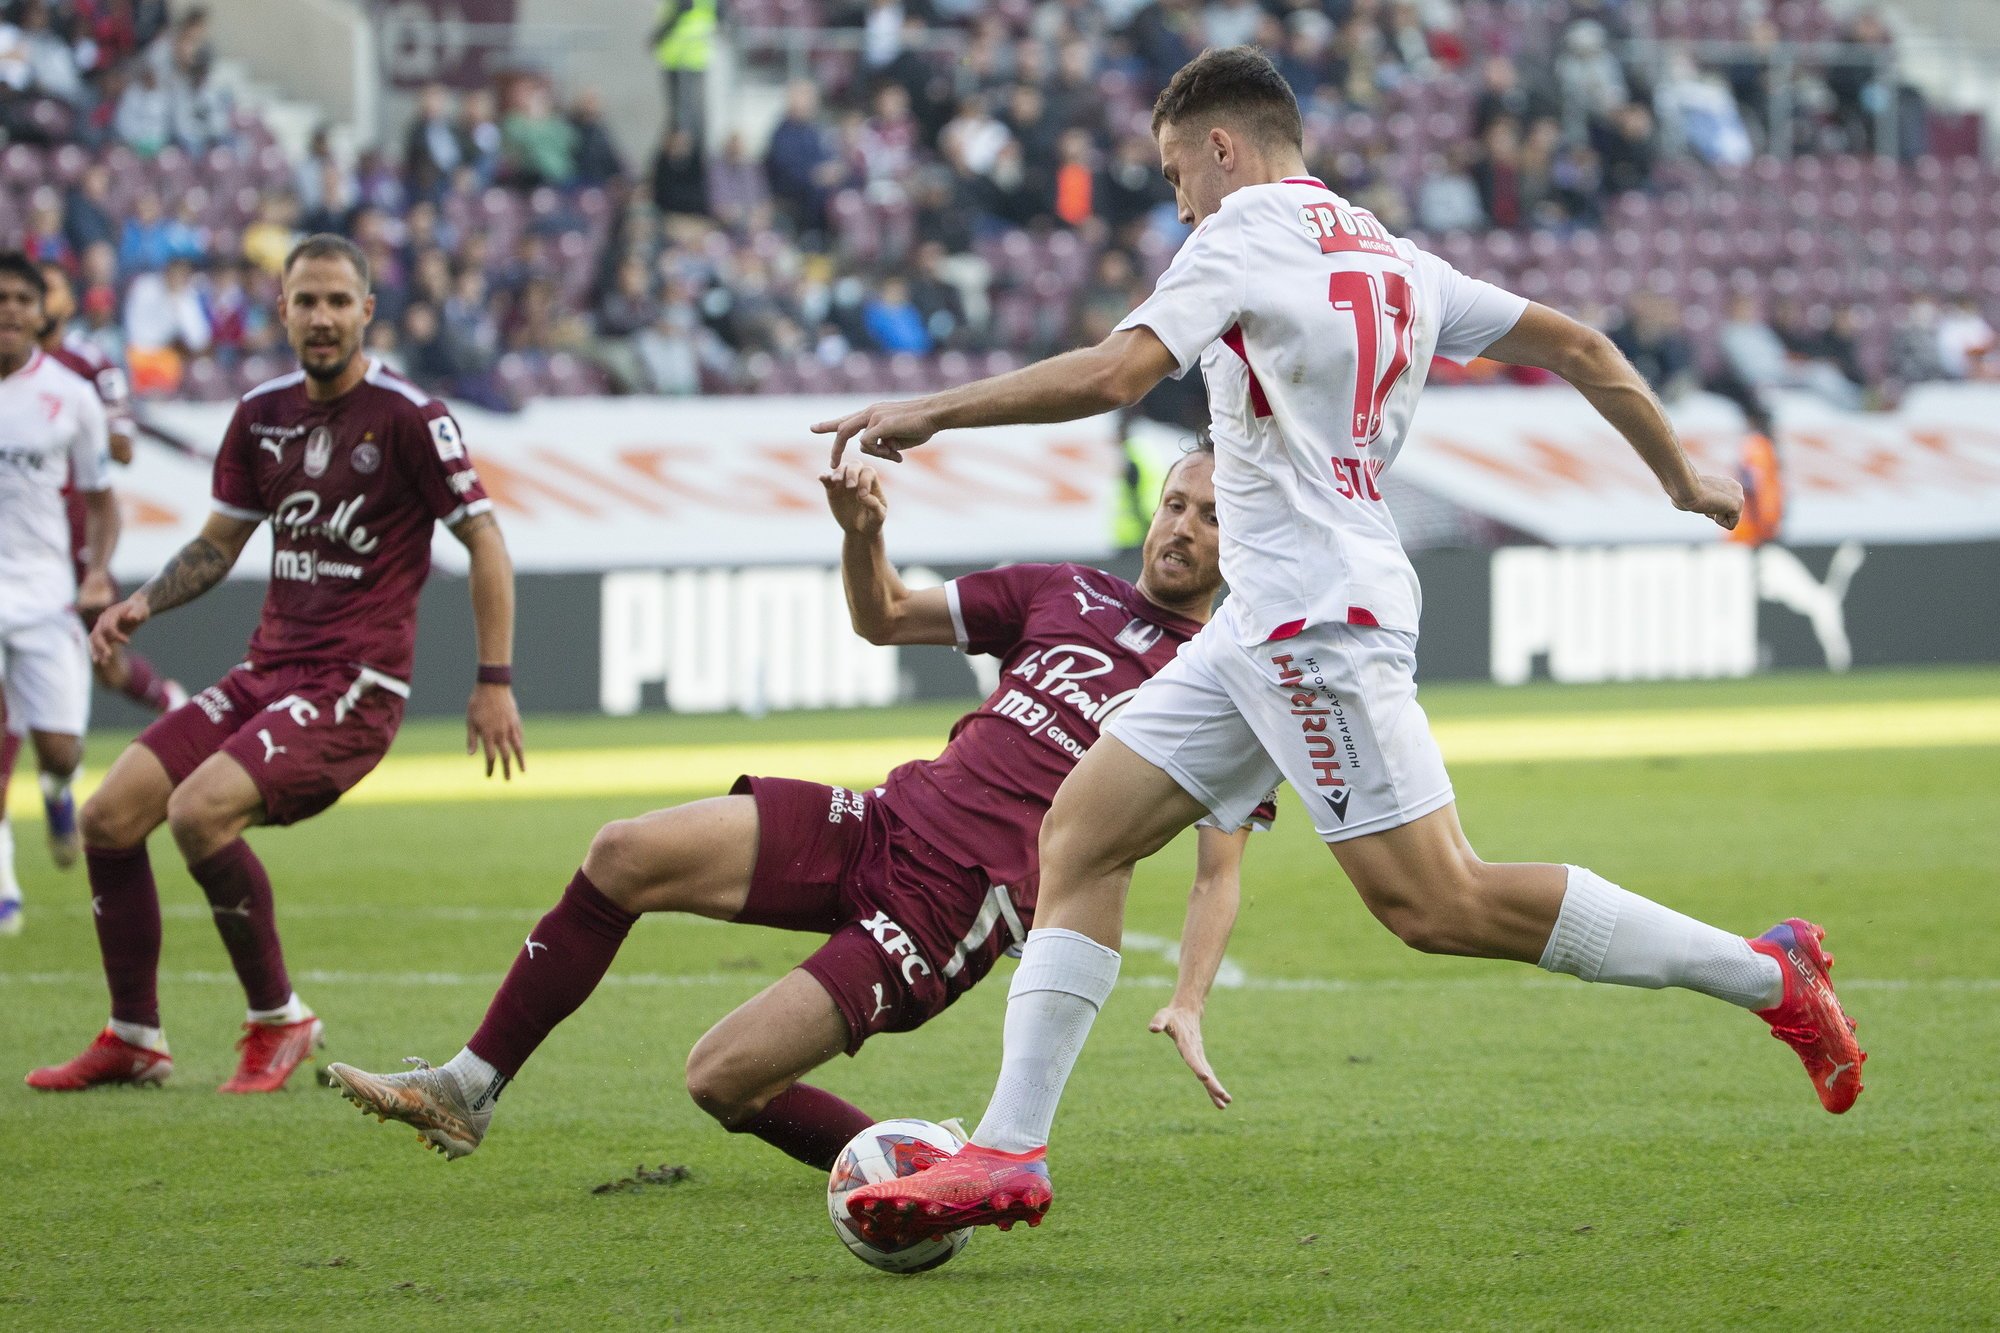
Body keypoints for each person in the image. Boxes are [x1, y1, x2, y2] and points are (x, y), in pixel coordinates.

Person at [814, 47, 1866, 1244]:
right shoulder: (1393, 257)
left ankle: (1771, 974)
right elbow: (1578, 344)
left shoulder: (1240, 233)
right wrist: (1679, 473)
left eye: (1174, 175)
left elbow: (1116, 373)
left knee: (1436, 901)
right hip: (1261, 620)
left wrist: (928, 411)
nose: (1175, 206)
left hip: (1315, 621)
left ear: (1223, 147)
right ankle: (1007, 1149)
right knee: (1082, 833)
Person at [324, 447, 1266, 1165]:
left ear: (1245, 541)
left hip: (953, 904)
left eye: (1215, 518)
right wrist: (864, 535)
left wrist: (1187, 998)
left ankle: (925, 1170)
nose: (1182, 527)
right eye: (1176, 503)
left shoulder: (1217, 683)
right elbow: (882, 615)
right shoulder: (1061, 588)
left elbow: (1217, 865)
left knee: (722, 1078)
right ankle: (469, 1088)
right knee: (623, 853)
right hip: (884, 820)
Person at [25, 235, 526, 1095]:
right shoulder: (260, 413)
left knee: (195, 814)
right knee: (109, 817)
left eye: (339, 301)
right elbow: (221, 540)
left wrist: (493, 680)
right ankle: (134, 1035)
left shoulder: (413, 414)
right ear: (282, 310)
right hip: (268, 669)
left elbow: (485, 539)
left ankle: (278, 1018)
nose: (322, 317)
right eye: (307, 301)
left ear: (367, 310)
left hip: (354, 685)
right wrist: (144, 601)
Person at [0, 252, 117, 936]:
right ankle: (6, 884)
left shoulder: (71, 396)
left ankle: (55, 790)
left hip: (46, 593)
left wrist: (97, 570)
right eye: (0, 297)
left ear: (40, 311)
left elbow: (103, 502)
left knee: (61, 749)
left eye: (22, 297)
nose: (10, 308)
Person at [40, 262, 187, 717]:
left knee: (105, 661)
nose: (36, 301)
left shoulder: (89, 364)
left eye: (48, 290)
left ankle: (171, 705)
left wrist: (78, 421)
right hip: (17, 529)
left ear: (68, 301)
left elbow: (123, 448)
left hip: (74, 528)